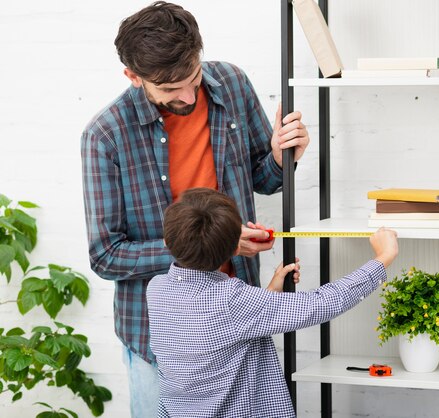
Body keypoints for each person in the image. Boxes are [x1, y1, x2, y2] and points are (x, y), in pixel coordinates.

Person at [80, 2, 310, 416]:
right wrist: (212, 244)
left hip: (237, 315)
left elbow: (264, 179)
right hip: (158, 338)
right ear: (133, 77)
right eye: (170, 90)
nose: (188, 96)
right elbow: (105, 255)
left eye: (193, 77)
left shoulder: (232, 84)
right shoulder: (105, 136)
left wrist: (281, 156)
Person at [146, 188, 399, 418]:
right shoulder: (232, 300)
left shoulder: (156, 289)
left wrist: (270, 292)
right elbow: (320, 304)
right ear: (237, 248)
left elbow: (221, 337)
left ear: (167, 242)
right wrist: (383, 258)